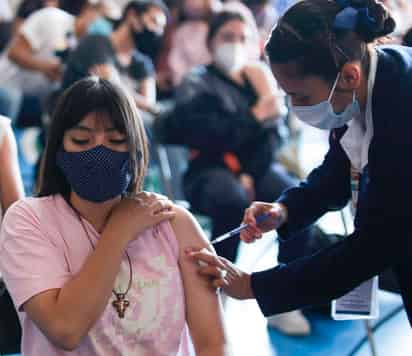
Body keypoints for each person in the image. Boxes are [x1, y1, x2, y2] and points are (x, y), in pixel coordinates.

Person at [187, 0, 412, 328]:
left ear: (349, 76)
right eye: (286, 94)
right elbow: (339, 168)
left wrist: (255, 286)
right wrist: (285, 210)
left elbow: (373, 247)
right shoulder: (365, 84)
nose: (294, 107)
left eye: (302, 97)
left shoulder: (402, 112)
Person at [0, 77, 228, 355]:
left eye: (116, 140)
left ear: (135, 149)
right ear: (59, 147)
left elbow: (213, 345)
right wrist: (121, 229)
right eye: (82, 140)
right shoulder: (28, 220)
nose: (98, 152)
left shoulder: (174, 223)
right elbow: (65, 328)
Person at [155, 10, 344, 335]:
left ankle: (286, 300)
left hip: (255, 168)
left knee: (292, 201)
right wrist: (256, 115)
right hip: (207, 170)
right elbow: (204, 134)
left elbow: (273, 141)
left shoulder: (257, 81)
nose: (236, 45)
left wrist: (266, 101)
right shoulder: (197, 82)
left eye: (243, 38)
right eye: (227, 37)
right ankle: (216, 294)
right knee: (230, 200)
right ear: (211, 42)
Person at [0, 0, 102, 121]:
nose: (100, 23)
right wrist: (45, 67)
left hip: (35, 100)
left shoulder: (84, 48)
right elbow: (14, 53)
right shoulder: (53, 18)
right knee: (11, 99)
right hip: (6, 85)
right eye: (99, 16)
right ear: (88, 10)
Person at [61, 0, 168, 115]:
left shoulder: (143, 63)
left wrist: (147, 105)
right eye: (154, 21)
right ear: (132, 15)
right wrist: (145, 104)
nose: (158, 31)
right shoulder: (96, 43)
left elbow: (149, 105)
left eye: (162, 27)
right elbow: (112, 87)